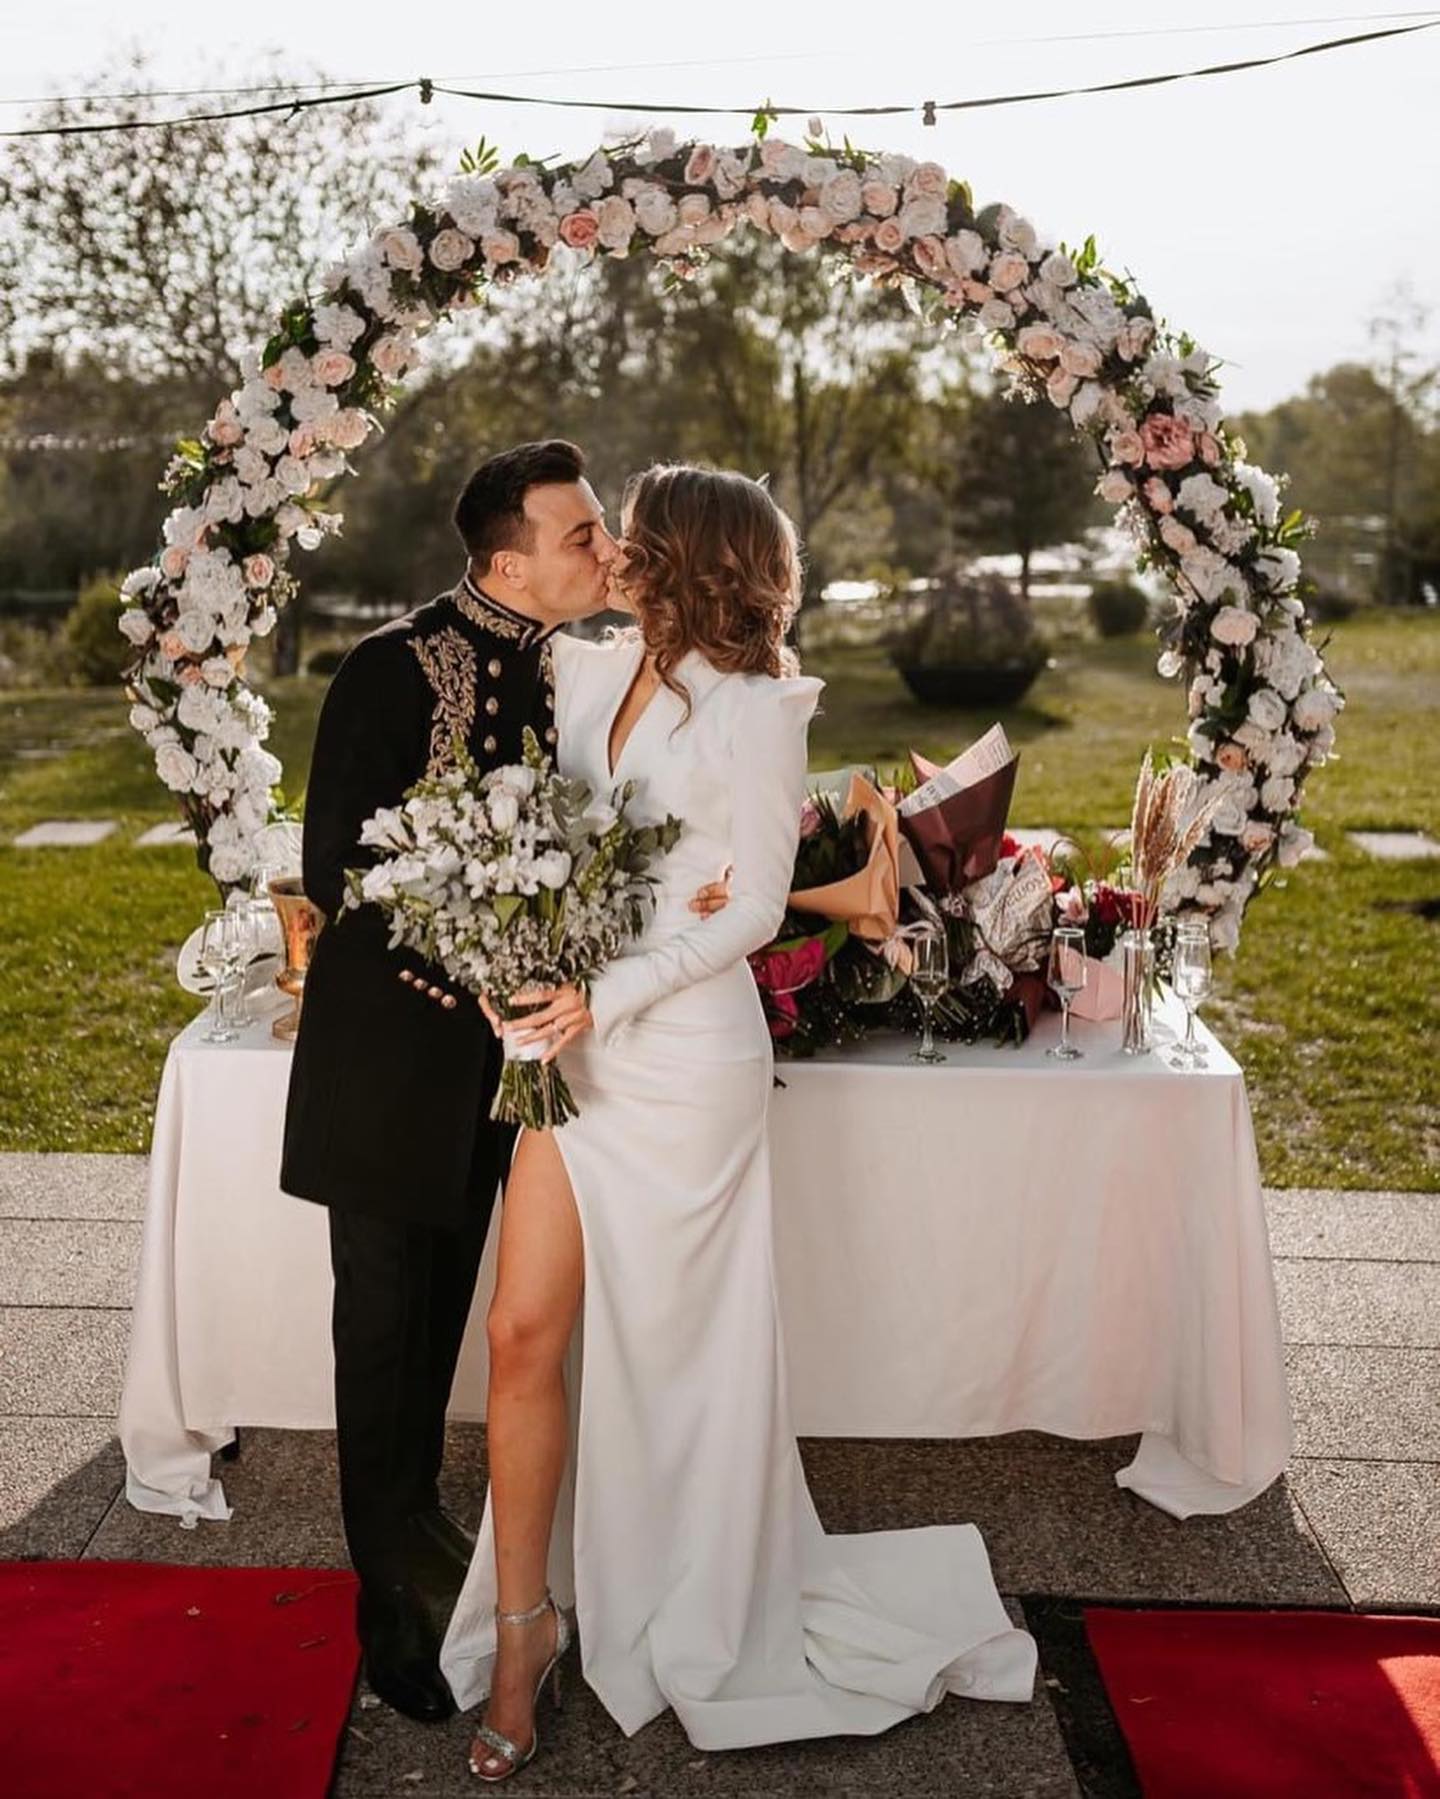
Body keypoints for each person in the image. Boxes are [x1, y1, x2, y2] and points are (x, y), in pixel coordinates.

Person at [439, 464, 1037, 1781]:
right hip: (569, 1048)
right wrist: (513, 936)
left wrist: (608, 990)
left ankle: (691, 1594)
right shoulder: (586, 668)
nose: (615, 544)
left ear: (685, 556)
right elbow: (544, 830)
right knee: (521, 1329)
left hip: (679, 1062)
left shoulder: (761, 707)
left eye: (634, 529)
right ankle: (527, 1625)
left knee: (676, 1358)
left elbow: (756, 902)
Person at [280, 440, 725, 1722]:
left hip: (505, 1073)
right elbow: (342, 867)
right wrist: (476, 952)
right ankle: (388, 1607)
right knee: (383, 1334)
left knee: (442, 1325)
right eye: (580, 533)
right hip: (386, 1068)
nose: (605, 550)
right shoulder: (389, 666)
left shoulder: (578, 669)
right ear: (507, 559)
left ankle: (433, 1546)